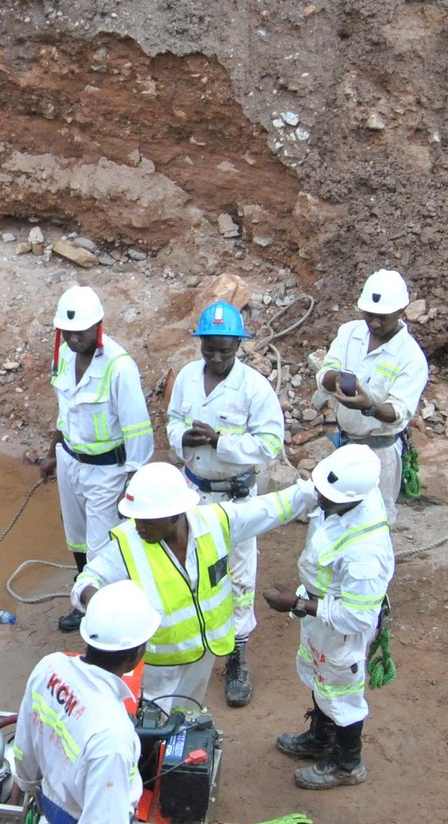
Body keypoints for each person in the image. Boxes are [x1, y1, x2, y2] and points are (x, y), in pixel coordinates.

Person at [69, 462, 313, 711]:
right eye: (135, 519)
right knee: (152, 723)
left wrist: (316, 491)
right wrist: (97, 602)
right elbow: (87, 581)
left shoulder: (215, 522)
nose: (139, 526)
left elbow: (269, 509)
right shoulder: (126, 545)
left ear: (175, 515)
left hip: (203, 654)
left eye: (147, 521)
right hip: (159, 665)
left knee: (187, 715)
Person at [8, 579, 162, 824]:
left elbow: (24, 745)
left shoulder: (50, 667)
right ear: (138, 653)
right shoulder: (112, 734)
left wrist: (23, 785)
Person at [165, 300, 287, 708]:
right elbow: (172, 419)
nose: (216, 358)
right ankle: (196, 642)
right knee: (191, 568)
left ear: (239, 345)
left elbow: (269, 445)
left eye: (225, 350)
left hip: (234, 496)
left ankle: (236, 655)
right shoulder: (186, 377)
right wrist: (184, 438)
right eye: (209, 349)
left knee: (237, 575)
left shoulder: (254, 388)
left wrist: (222, 441)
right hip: (193, 491)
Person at [261, 444, 394, 789]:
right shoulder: (345, 496)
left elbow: (357, 618)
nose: (319, 499)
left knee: (343, 691)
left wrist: (299, 605)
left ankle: (347, 762)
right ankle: (321, 737)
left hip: (340, 626)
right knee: (321, 676)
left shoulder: (366, 552)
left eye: (326, 496)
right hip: (321, 614)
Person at [40, 285, 154, 632]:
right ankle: (82, 595)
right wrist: (52, 453)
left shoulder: (119, 367)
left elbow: (138, 431)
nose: (74, 340)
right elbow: (66, 410)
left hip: (107, 470)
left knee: (100, 546)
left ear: (98, 327)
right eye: (68, 333)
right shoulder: (63, 354)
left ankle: (106, 612)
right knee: (75, 536)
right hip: (70, 460)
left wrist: (132, 485)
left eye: (80, 333)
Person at [313, 270, 429, 519]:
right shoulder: (350, 333)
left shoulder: (410, 357)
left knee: (373, 519)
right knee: (335, 511)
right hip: (345, 444)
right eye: (369, 316)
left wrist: (370, 407)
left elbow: (398, 412)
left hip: (380, 453)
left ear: (400, 311)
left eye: (382, 318)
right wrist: (335, 379)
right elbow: (325, 372)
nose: (374, 323)